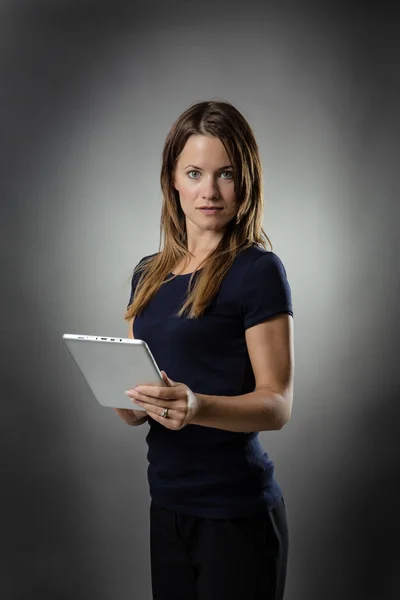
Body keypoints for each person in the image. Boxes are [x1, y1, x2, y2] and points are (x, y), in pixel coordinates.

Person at [116, 99, 294, 600]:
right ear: (173, 179)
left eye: (226, 174)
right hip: (168, 507)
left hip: (235, 514)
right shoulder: (146, 275)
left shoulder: (258, 271)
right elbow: (135, 407)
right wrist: (124, 394)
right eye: (195, 173)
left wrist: (196, 407)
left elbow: (277, 405)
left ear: (246, 181)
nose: (210, 191)